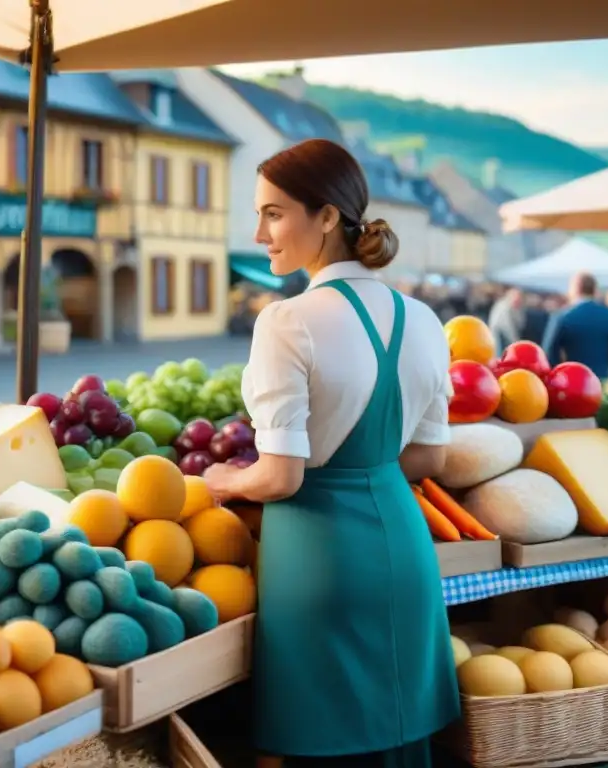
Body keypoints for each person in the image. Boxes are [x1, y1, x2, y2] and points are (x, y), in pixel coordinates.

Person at [202, 138, 458, 768]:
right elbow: (429, 461)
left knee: (323, 745)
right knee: (399, 738)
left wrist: (224, 481)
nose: (259, 232)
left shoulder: (286, 321)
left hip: (317, 560)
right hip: (405, 549)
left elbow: (282, 477)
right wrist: (365, 471)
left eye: (273, 212)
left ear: (325, 217)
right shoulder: (424, 319)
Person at [542, 272, 608, 379]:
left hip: (573, 382)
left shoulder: (562, 317)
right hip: (603, 380)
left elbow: (549, 353)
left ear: (574, 289)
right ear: (595, 289)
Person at [488, 287, 523, 352]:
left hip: (505, 333)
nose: (518, 301)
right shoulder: (504, 307)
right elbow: (508, 327)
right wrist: (516, 341)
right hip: (499, 332)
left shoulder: (516, 308)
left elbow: (521, 323)